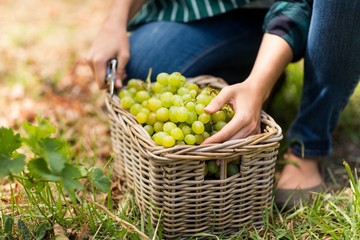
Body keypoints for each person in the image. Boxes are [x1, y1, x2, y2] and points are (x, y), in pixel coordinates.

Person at [87, 0, 360, 210]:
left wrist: (258, 83)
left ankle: (308, 147)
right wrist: (114, 22)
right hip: (217, 12)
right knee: (138, 68)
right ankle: (250, 74)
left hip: (305, 11)